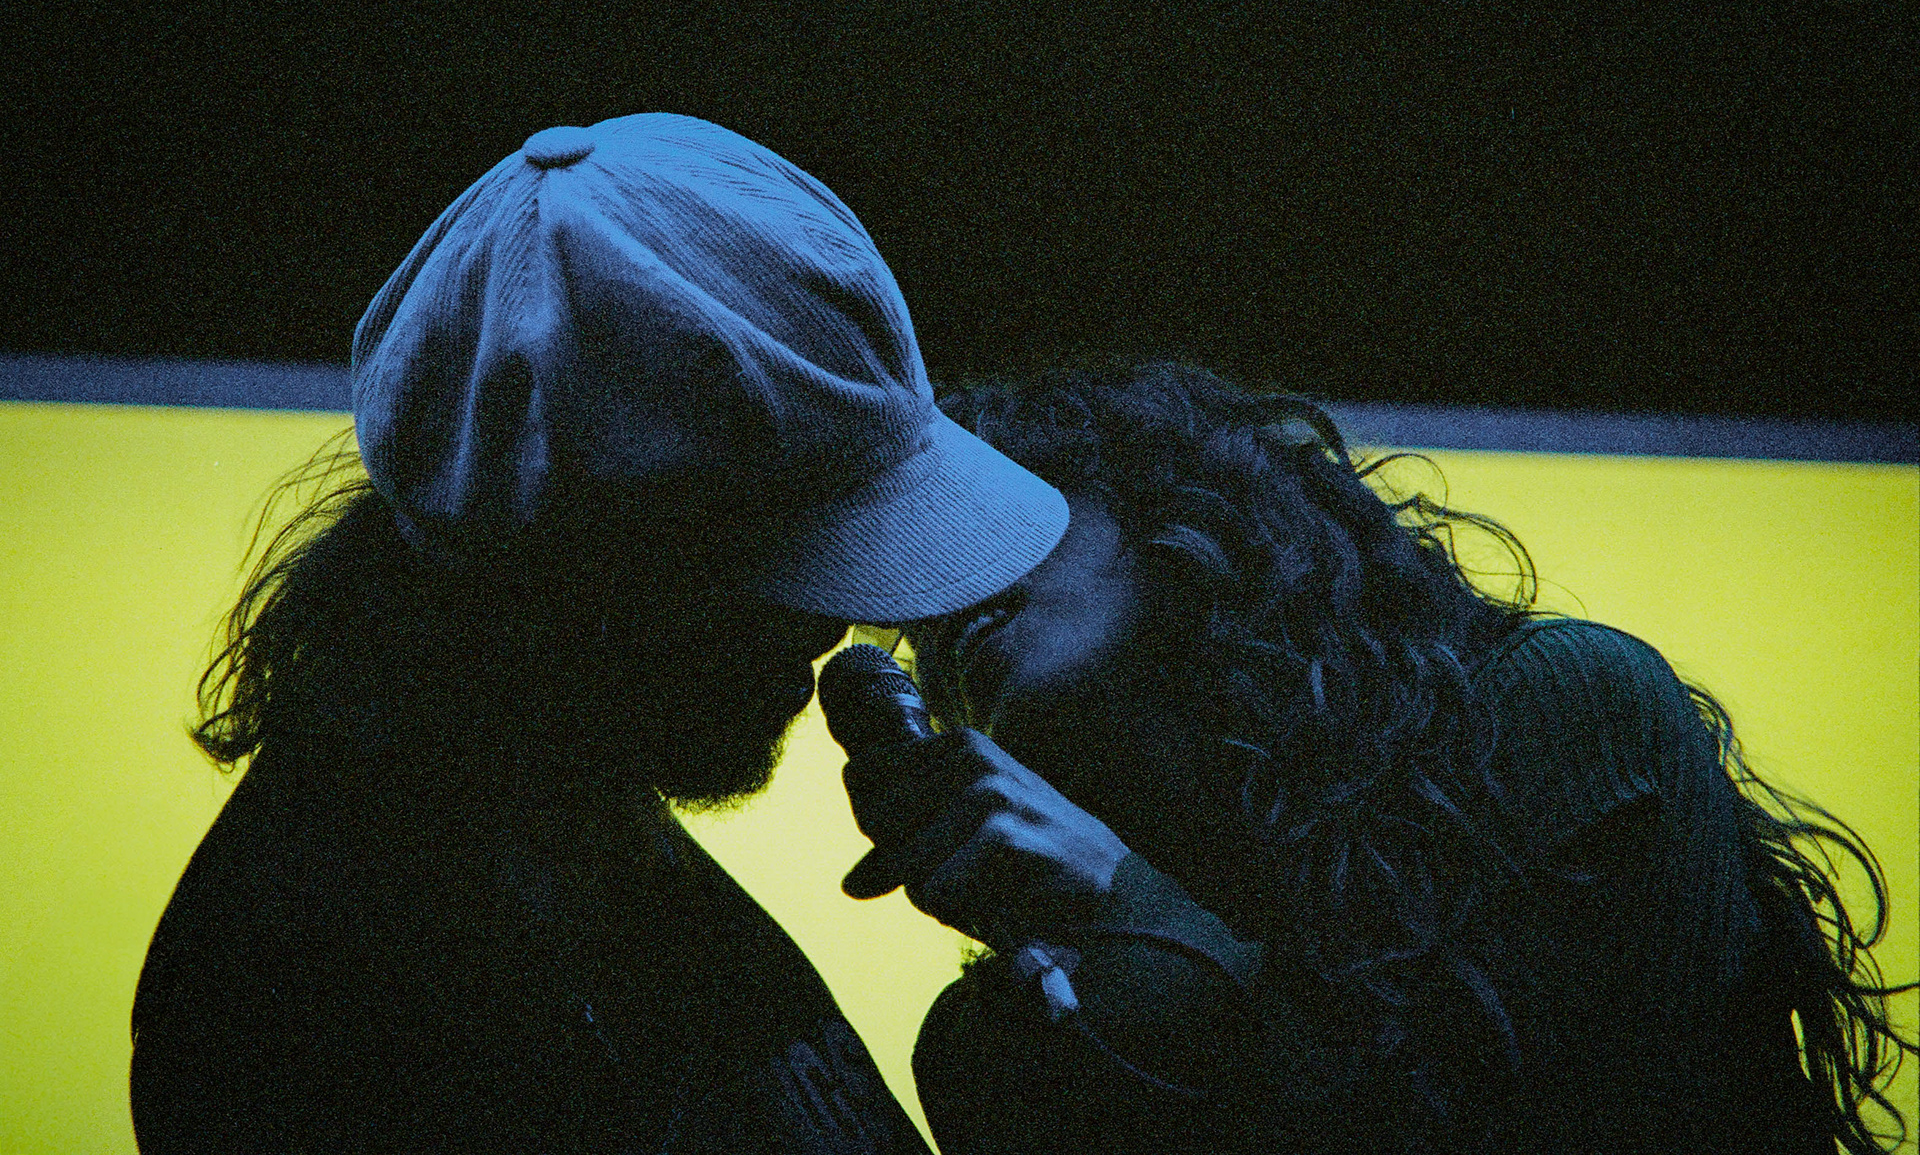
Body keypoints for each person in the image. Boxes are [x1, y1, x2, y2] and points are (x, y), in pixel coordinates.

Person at [128, 115, 1070, 1152]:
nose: (828, 629)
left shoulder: (549, 828)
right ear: (583, 570)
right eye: (782, 572)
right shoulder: (315, 996)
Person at [838, 363, 1915, 1153]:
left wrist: (1137, 915)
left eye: (997, 497)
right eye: (916, 589)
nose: (943, 581)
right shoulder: (1004, 1042)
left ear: (1180, 518)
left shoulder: (1563, 716)